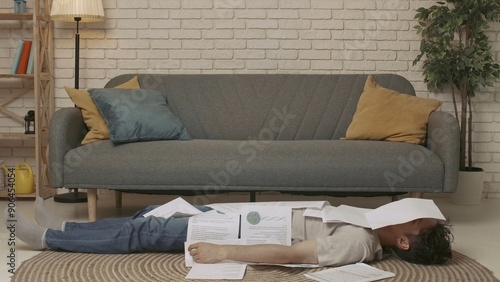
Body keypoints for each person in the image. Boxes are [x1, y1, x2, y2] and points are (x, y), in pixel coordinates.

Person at [4, 197, 453, 267]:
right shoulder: (367, 220)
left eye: (417, 219)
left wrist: (224, 251)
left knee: (147, 233)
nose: (411, 211)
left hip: (237, 232)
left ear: (404, 240)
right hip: (240, 213)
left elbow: (296, 253)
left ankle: (46, 240)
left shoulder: (361, 242)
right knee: (150, 212)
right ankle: (66, 224)